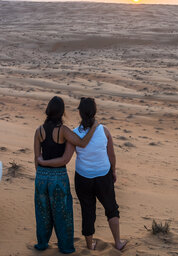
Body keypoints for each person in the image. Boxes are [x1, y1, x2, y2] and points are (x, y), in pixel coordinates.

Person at [38, 97, 127, 251]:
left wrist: (43, 162)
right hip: (103, 176)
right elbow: (111, 155)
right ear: (94, 112)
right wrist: (113, 171)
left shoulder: (73, 134)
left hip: (83, 178)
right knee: (111, 208)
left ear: (79, 112)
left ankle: (89, 245)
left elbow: (66, 157)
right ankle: (118, 242)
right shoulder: (104, 130)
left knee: (88, 211)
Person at [34, 96, 97, 253]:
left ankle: (42, 244)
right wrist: (94, 127)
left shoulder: (38, 131)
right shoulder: (63, 130)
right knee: (63, 214)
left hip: (41, 176)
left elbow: (37, 159)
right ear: (62, 112)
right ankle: (66, 247)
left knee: (42, 213)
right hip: (58, 176)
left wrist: (43, 169)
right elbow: (81, 143)